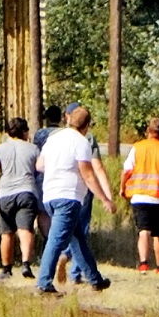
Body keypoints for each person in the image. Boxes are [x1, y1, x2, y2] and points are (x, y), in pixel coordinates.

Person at [35, 105, 116, 295]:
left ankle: (95, 280)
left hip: (50, 196)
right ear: (87, 125)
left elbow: (39, 165)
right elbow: (88, 174)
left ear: (68, 119)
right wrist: (105, 199)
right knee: (56, 241)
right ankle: (44, 282)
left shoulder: (53, 139)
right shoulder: (81, 142)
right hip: (68, 196)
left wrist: (57, 169)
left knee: (77, 239)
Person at [120, 117, 159, 274]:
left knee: (144, 231)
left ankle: (143, 264)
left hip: (140, 197)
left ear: (148, 131)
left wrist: (122, 188)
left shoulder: (138, 147)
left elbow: (127, 171)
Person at [0, 117, 41, 279]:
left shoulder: (0, 149)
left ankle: (6, 269)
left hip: (5, 194)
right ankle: (26, 263)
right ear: (25, 132)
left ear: (8, 133)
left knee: (7, 233)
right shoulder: (33, 149)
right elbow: (41, 170)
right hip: (27, 192)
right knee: (25, 229)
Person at [59, 101, 111, 286]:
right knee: (81, 229)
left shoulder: (55, 136)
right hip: (82, 189)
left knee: (67, 229)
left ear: (67, 117)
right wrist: (106, 195)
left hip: (58, 189)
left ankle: (63, 256)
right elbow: (96, 167)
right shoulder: (87, 139)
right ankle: (75, 273)